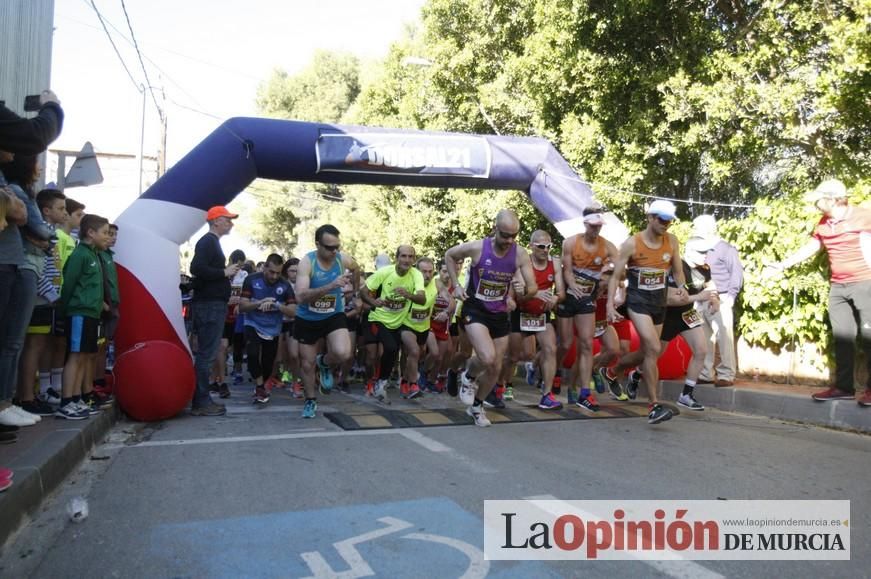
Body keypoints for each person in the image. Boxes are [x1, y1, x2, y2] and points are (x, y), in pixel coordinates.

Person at [768, 179, 871, 406]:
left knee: (869, 337)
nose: (815, 203)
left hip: (865, 283)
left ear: (833, 199)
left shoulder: (864, 216)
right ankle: (844, 387)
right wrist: (783, 264)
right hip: (838, 287)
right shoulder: (823, 223)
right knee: (842, 338)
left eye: (819, 199)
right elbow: (814, 246)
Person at [445, 209, 538, 427]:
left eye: (513, 236)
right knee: (486, 357)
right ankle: (468, 377)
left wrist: (524, 289)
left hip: (499, 313)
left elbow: (533, 287)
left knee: (496, 366)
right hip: (475, 309)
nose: (509, 240)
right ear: (495, 229)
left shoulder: (520, 254)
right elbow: (450, 255)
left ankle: (477, 406)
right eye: (505, 235)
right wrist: (457, 285)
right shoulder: (478, 247)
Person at [606, 199, 686, 424]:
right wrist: (610, 304)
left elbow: (678, 272)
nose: (666, 224)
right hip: (638, 302)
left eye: (670, 220)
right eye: (662, 219)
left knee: (647, 351)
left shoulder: (672, 241)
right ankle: (654, 405)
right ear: (650, 218)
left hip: (659, 302)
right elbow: (616, 277)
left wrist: (682, 288)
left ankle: (613, 372)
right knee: (653, 347)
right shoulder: (632, 244)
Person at [293, 224, 359, 418]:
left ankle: (325, 362)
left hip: (333, 314)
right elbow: (300, 296)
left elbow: (356, 268)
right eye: (330, 247)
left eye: (337, 246)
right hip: (308, 318)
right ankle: (310, 400)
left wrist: (353, 290)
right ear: (318, 245)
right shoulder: (307, 263)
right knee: (306, 364)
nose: (334, 251)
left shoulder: (342, 259)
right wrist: (331, 286)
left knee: (343, 353)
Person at [559, 207, 619, 411]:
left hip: (587, 300)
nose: (596, 231)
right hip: (568, 296)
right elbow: (567, 270)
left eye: (599, 227)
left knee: (586, 344)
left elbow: (619, 273)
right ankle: (552, 373)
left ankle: (585, 393)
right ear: (585, 224)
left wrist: (610, 297)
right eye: (593, 226)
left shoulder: (608, 247)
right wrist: (572, 285)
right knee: (566, 344)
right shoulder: (570, 242)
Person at [58, 214, 113, 419]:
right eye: (105, 233)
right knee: (75, 356)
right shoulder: (81, 254)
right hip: (79, 312)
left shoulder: (94, 255)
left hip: (91, 313)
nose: (108, 237)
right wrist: (66, 310)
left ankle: (77, 397)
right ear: (91, 233)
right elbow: (70, 283)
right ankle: (66, 402)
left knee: (84, 356)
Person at [188, 206, 241, 416]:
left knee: (207, 354)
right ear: (216, 220)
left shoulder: (211, 242)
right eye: (227, 219)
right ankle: (201, 402)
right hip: (210, 306)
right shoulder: (208, 241)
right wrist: (223, 272)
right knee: (206, 355)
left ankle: (202, 400)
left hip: (212, 304)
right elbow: (196, 268)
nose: (231, 223)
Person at [505, 230, 565, 410]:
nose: (545, 250)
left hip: (541, 315)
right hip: (521, 313)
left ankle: (547, 395)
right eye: (541, 246)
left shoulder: (554, 263)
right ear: (531, 246)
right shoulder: (523, 263)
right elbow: (520, 293)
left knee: (550, 349)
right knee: (513, 356)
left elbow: (561, 292)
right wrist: (537, 293)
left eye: (548, 246)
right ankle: (504, 385)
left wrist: (555, 298)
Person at [360, 245, 426, 402]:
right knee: (383, 350)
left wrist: (408, 295)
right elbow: (362, 292)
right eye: (403, 256)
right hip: (379, 318)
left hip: (399, 321)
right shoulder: (384, 272)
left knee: (392, 350)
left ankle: (381, 382)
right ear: (397, 258)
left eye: (411, 257)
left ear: (414, 259)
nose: (407, 260)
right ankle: (373, 381)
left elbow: (422, 299)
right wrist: (373, 302)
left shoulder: (416, 274)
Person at [690, 215, 743, 387]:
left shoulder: (725, 248)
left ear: (707, 229)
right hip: (701, 298)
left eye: (697, 227)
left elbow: (737, 273)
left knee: (724, 337)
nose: (694, 230)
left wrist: (730, 297)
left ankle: (726, 375)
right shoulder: (698, 248)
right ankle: (706, 373)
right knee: (704, 338)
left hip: (721, 297)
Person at [238, 253, 295, 404]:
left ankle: (262, 384)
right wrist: (260, 303)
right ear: (264, 268)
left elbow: (293, 311)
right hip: (252, 323)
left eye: (278, 272)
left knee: (268, 362)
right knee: (252, 354)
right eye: (271, 272)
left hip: (272, 328)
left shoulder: (285, 285)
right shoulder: (251, 280)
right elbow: (242, 306)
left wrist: (276, 305)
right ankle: (259, 386)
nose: (274, 276)